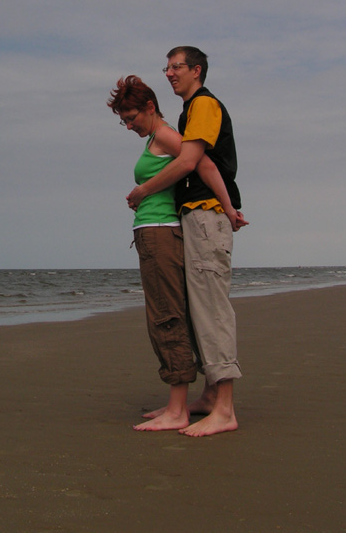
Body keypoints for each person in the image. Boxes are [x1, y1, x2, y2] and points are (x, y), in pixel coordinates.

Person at [108, 75, 243, 432]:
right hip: (156, 231)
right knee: (173, 313)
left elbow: (203, 164)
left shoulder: (166, 134)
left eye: (131, 116)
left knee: (167, 315)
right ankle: (191, 401)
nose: (128, 124)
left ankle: (177, 408)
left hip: (161, 232)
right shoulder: (157, 137)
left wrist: (229, 209)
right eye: (123, 119)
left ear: (149, 107)